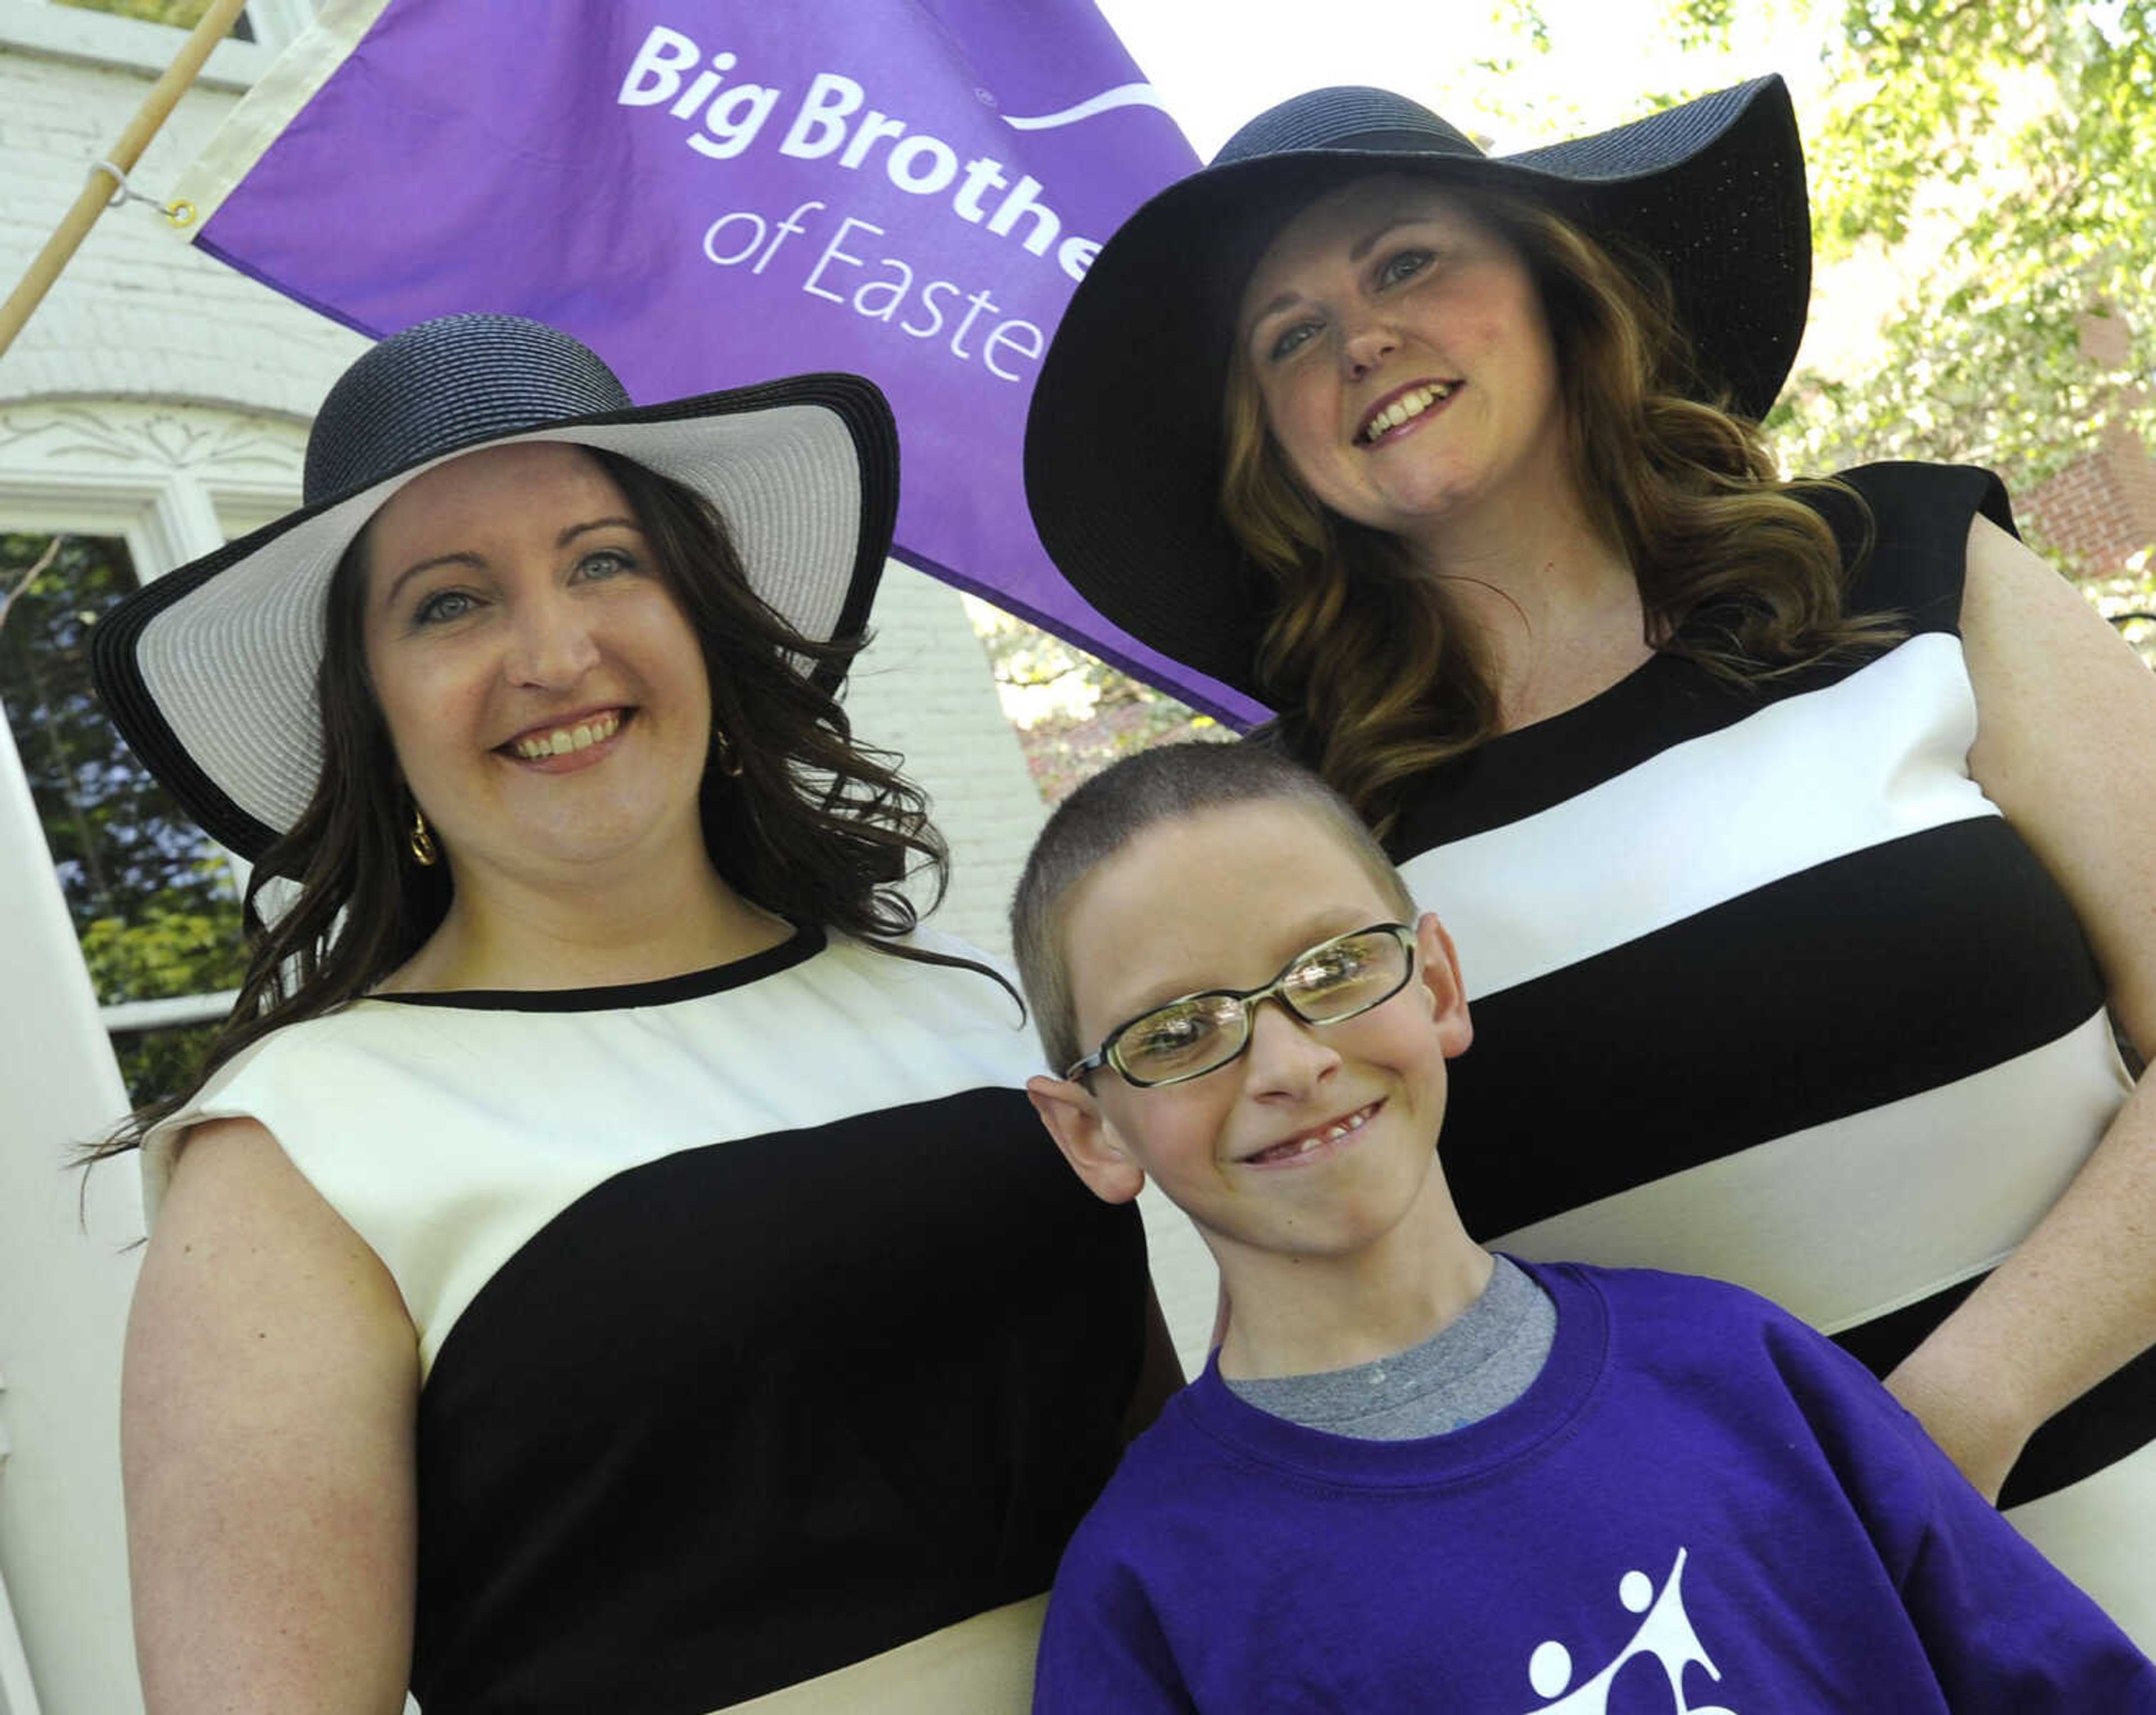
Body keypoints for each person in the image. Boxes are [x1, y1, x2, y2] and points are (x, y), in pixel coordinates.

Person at [1022, 77, 2156, 1640]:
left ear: (1560, 289)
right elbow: (1306, 1278)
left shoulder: (1912, 572)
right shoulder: (1296, 829)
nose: (1357, 338)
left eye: (1406, 262)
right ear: (1264, 441)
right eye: (1288, 334)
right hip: (1722, 1636)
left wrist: (1953, 1412)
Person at [89, 313, 1172, 1715]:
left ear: (702, 622)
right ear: (374, 714)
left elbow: (1187, 1482)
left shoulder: (965, 1007)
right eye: (448, 602)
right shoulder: (299, 1150)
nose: (553, 651)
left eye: (606, 562)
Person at [1010, 740, 2156, 1712]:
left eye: (1333, 966)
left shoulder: (1741, 1369)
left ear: (1440, 986)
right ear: (1092, 1134)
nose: (1294, 1062)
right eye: (1175, 1034)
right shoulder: (1148, 1596)